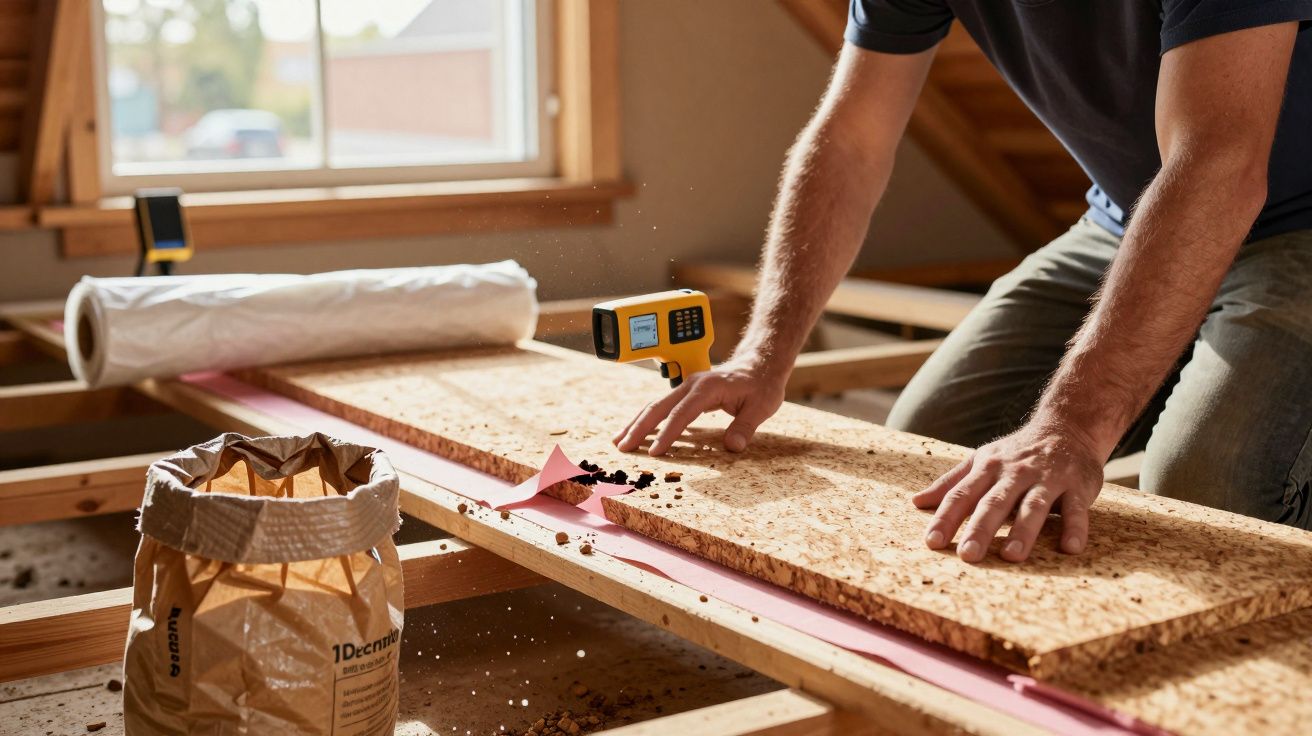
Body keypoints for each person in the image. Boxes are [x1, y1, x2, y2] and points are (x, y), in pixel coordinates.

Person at [613, 1, 1312, 563]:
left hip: (1296, 222)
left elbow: (1218, 163)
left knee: (1208, 490)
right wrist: (764, 355)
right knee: (934, 446)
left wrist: (1069, 425)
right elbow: (851, 140)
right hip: (1127, 217)